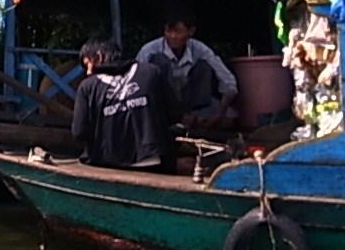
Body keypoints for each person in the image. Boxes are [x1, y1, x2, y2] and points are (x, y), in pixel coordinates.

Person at [72, 37, 177, 170]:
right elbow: (174, 114)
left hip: (105, 164)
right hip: (152, 161)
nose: (87, 72)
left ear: (99, 57)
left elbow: (79, 133)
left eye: (87, 64)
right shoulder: (152, 72)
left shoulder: (87, 86)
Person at [136, 12, 238, 129]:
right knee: (159, 61)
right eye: (169, 31)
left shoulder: (200, 49)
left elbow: (228, 81)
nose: (173, 36)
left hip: (191, 105)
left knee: (203, 66)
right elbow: (135, 84)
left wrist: (219, 113)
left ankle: (195, 116)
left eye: (178, 32)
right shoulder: (149, 50)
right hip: (160, 106)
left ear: (191, 31)